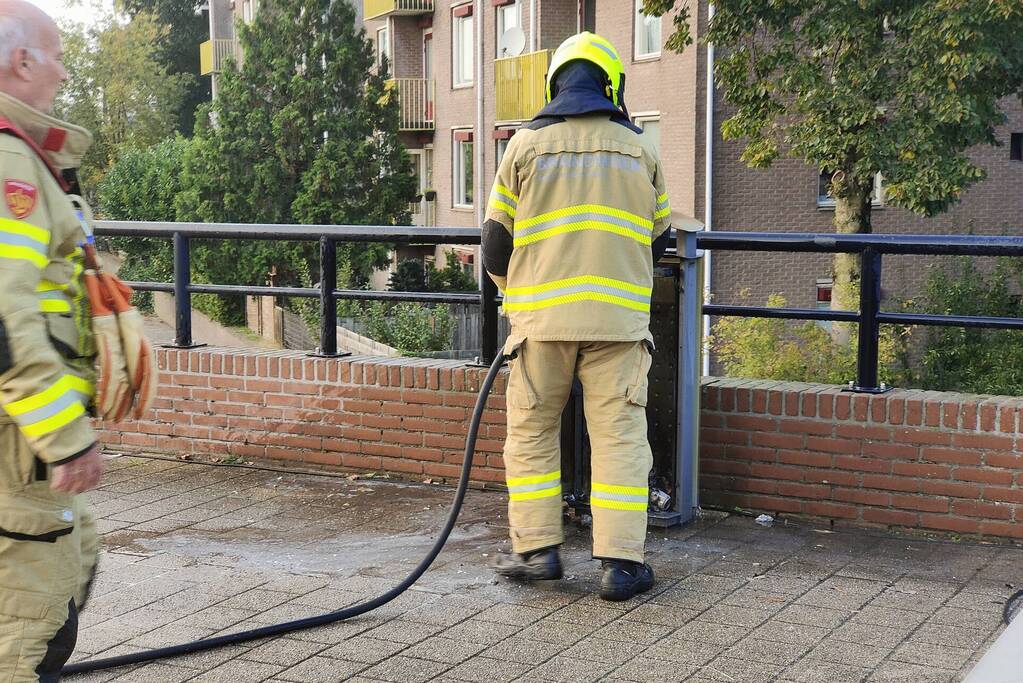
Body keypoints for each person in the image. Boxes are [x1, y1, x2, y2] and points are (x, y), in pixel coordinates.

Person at [484, 32, 692, 602]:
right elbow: (659, 244)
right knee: (621, 439)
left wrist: (520, 298)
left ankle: (537, 551)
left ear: (556, 82)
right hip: (618, 330)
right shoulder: (640, 148)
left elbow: (494, 247)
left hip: (539, 327)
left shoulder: (524, 147)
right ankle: (621, 567)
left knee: (530, 434)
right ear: (612, 85)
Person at [0, 1, 102, 678]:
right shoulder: (10, 161)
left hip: (22, 446)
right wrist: (65, 433)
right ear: (22, 60)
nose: (64, 71)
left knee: (74, 553)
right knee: (31, 617)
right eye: (56, 54)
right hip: (20, 448)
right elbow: (5, 318)